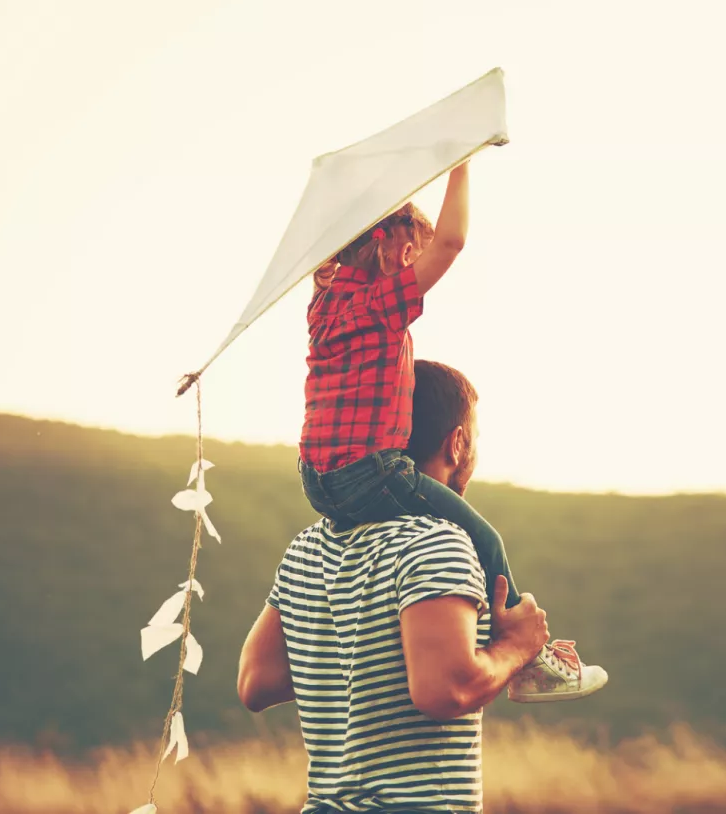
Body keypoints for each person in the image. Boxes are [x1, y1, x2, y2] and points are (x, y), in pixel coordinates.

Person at [237, 360, 608, 813]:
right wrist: (516, 649)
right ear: (457, 444)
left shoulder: (307, 548)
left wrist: (365, 656)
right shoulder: (436, 539)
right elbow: (443, 691)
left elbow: (257, 682)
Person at [298, 162, 603, 701]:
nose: (419, 262)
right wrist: (459, 162)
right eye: (411, 253)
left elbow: (427, 241)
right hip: (370, 473)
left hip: (316, 481)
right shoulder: (378, 305)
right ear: (388, 247)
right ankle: (528, 660)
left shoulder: (324, 304)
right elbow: (453, 242)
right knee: (485, 539)